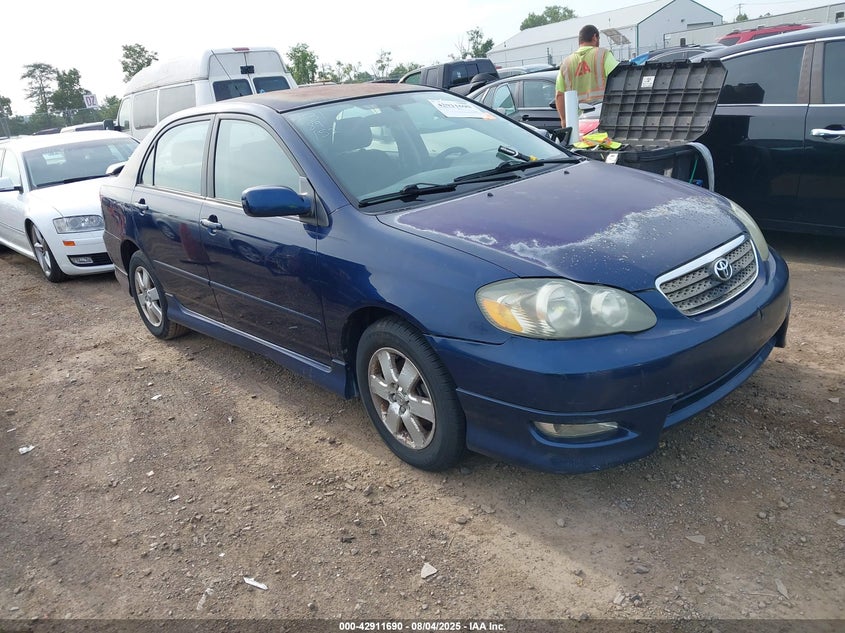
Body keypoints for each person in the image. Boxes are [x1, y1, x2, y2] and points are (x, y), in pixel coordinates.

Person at [555, 24, 619, 129]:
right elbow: (619, 80)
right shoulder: (603, 54)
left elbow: (559, 95)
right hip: (602, 118)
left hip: (578, 124)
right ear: (595, 37)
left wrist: (564, 120)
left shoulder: (565, 63)